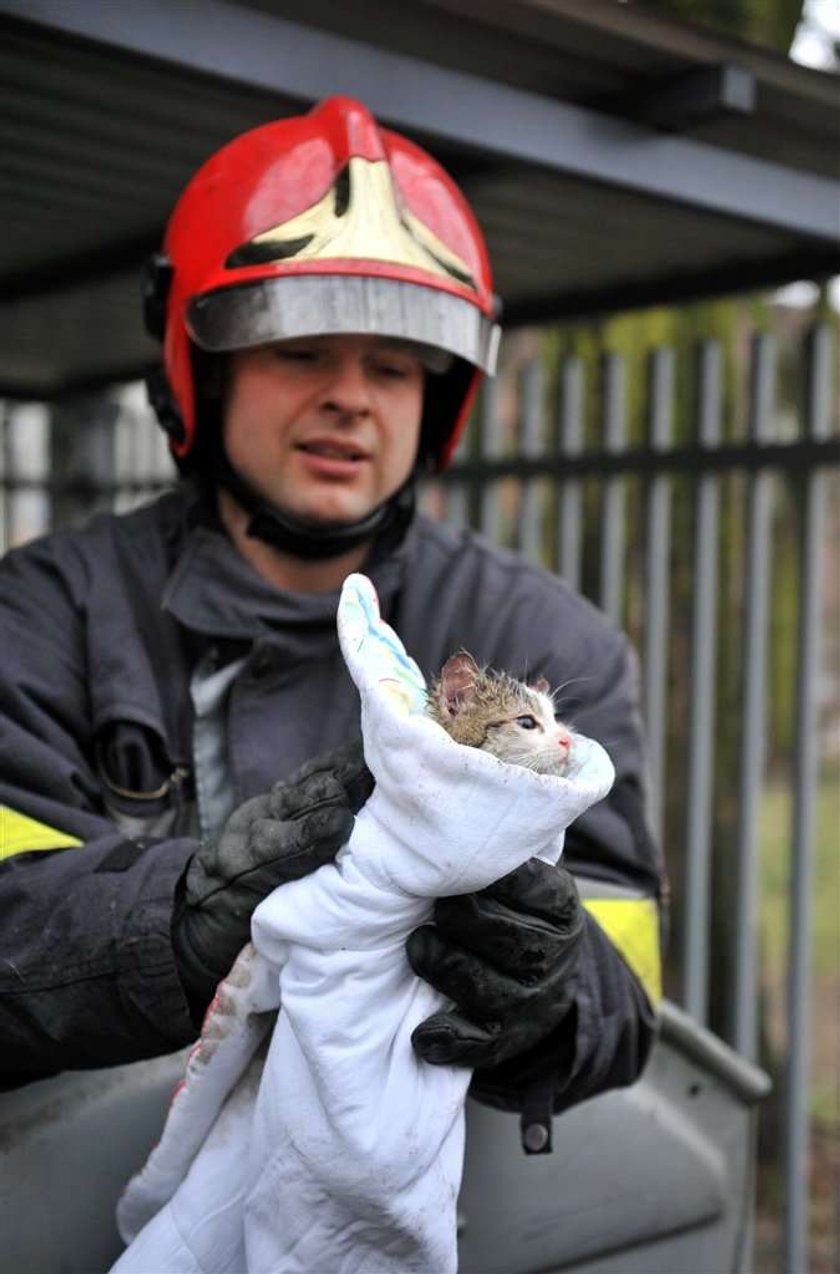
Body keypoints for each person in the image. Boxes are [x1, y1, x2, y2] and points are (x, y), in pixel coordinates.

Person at [0, 97, 662, 1152]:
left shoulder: (545, 638)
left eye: (395, 364)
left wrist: (555, 983)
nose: (353, 396)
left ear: (435, 398)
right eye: (301, 349)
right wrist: (175, 916)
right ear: (200, 370)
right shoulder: (41, 612)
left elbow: (627, 992)